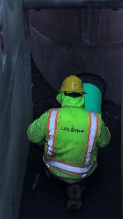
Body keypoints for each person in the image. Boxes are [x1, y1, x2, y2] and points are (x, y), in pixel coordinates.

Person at [27, 75, 111, 212]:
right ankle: (77, 190)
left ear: (61, 95)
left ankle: (56, 183)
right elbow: (105, 142)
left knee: (50, 163)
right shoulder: (95, 121)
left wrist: (44, 141)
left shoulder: (51, 116)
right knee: (93, 150)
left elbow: (31, 136)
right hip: (83, 173)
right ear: (83, 96)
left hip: (53, 170)